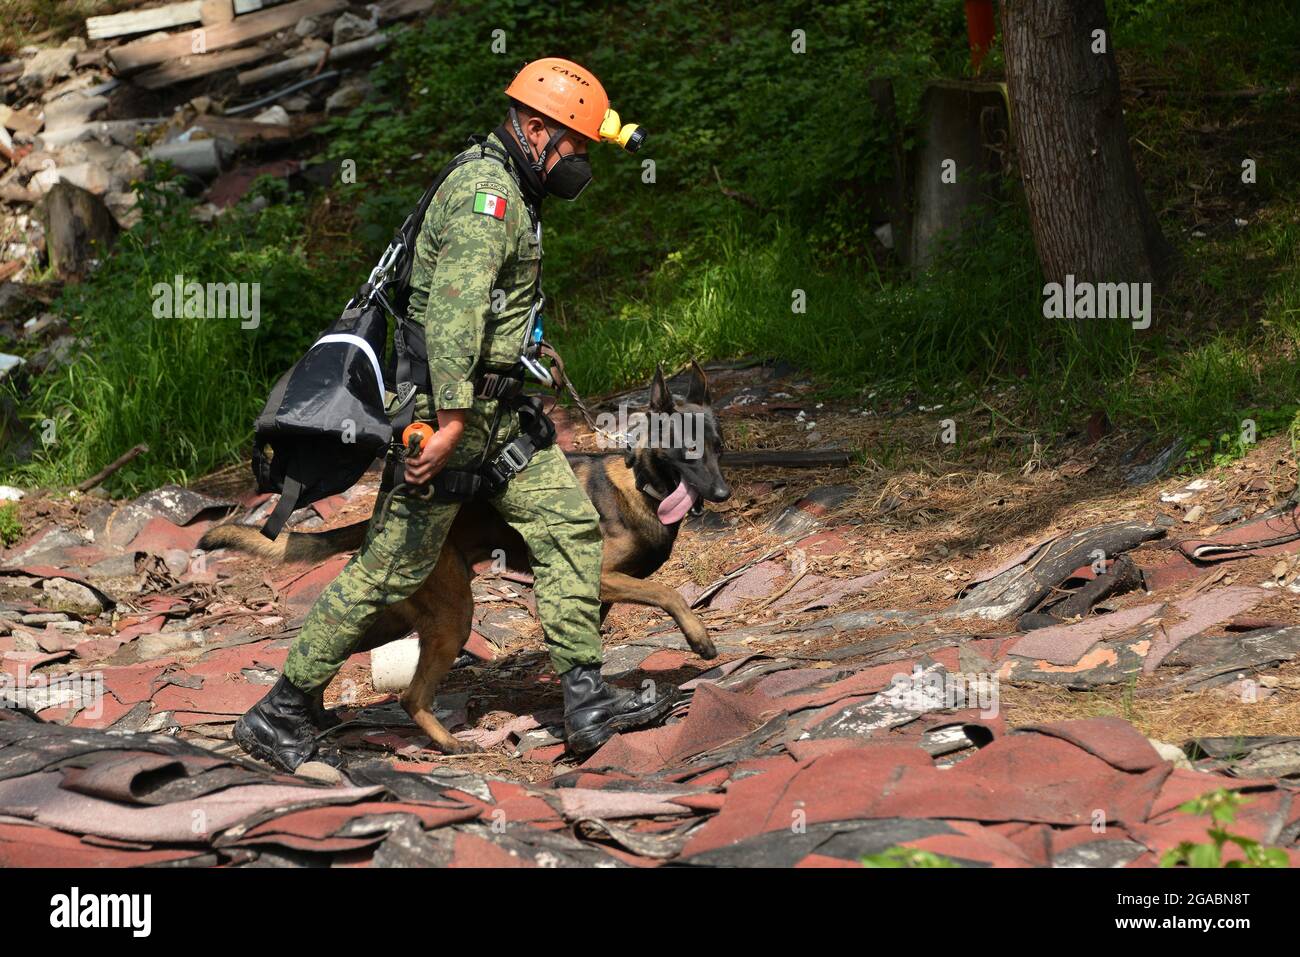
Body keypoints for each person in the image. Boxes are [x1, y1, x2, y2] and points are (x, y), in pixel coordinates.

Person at [234, 58, 674, 772]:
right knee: (386, 569)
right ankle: (280, 709)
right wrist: (452, 425)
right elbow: (452, 319)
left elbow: (490, 308)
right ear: (535, 130)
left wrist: (527, 351)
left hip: (495, 416)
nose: (581, 163)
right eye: (576, 146)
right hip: (449, 416)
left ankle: (587, 700)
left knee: (565, 527)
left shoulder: (513, 184)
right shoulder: (487, 196)